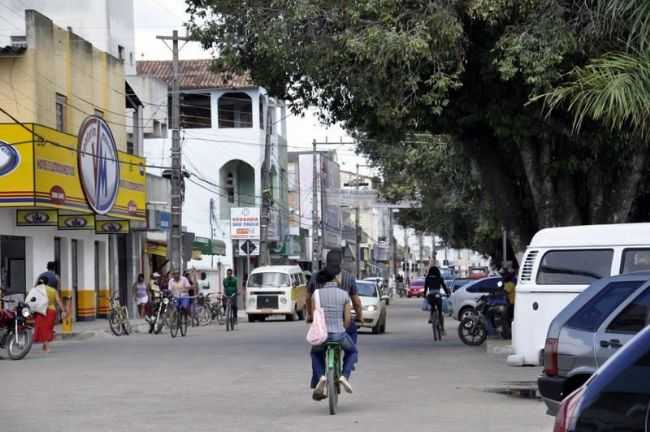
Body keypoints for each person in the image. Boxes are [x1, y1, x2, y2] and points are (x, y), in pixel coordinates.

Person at [306, 249, 363, 390]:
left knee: (316, 351)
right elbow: (356, 303)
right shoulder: (348, 279)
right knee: (352, 345)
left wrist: (310, 317)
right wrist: (359, 317)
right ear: (341, 262)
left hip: (322, 327)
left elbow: (308, 299)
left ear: (326, 261)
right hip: (342, 325)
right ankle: (348, 367)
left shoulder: (316, 278)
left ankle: (318, 378)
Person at [310, 270, 358, 400]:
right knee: (352, 351)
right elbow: (347, 319)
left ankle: (321, 377)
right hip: (339, 334)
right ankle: (344, 376)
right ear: (335, 279)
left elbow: (313, 316)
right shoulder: (344, 294)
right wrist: (342, 328)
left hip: (322, 336)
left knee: (316, 353)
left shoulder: (316, 294)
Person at [32, 277, 66, 353]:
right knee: (47, 329)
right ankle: (45, 346)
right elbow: (58, 300)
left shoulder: (37, 290)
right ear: (47, 283)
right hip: (51, 311)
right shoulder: (53, 290)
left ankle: (46, 347)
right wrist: (63, 311)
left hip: (41, 310)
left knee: (42, 328)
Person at [424, 266, 450, 333]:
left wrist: (424, 295)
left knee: (432, 306)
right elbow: (444, 287)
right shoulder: (440, 278)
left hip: (431, 295)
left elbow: (425, 288)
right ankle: (442, 329)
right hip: (438, 295)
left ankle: (431, 317)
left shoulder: (427, 278)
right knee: (440, 311)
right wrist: (447, 294)